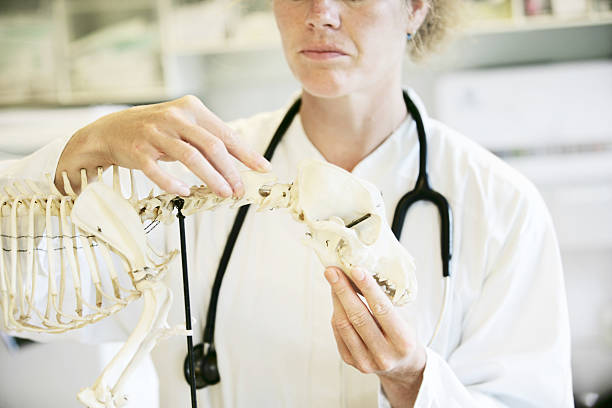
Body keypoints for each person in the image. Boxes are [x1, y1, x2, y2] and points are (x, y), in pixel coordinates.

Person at [1, 0, 573, 407]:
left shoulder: (500, 204)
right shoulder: (186, 173)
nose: (319, 12)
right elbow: (30, 294)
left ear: (417, 7)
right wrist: (86, 148)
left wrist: (412, 381)